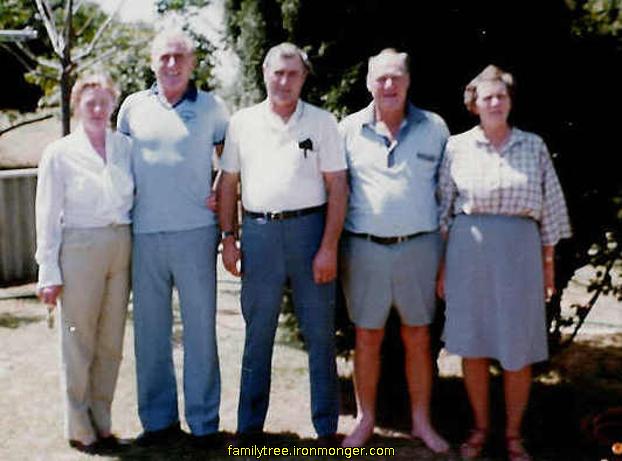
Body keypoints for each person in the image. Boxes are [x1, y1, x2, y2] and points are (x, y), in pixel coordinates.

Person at [437, 64, 571, 460]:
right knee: (473, 345)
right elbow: (443, 210)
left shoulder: (533, 146)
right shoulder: (456, 147)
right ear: (473, 104)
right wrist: (442, 266)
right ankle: (480, 428)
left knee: (517, 347)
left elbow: (551, 209)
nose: (495, 102)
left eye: (501, 96)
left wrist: (549, 265)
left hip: (520, 254)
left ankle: (513, 435)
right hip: (468, 253)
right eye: (487, 97)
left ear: (510, 102)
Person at [218, 42, 348, 444]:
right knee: (258, 334)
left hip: (310, 233)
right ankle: (250, 429)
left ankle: (326, 428)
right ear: (265, 74)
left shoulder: (324, 123)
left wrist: (329, 246)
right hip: (259, 234)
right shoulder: (242, 123)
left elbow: (338, 186)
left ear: (304, 78)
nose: (285, 81)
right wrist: (229, 238)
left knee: (320, 334)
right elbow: (228, 185)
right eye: (278, 72)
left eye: (293, 74)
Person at [116, 29, 229, 446]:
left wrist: (219, 191)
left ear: (192, 63)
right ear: (152, 61)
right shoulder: (132, 108)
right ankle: (158, 421)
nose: (172, 64)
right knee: (150, 331)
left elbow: (229, 161)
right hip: (144, 233)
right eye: (164, 56)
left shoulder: (213, 108)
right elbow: (119, 164)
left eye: (180, 57)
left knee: (200, 331)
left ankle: (203, 423)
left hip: (197, 234)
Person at [338, 49, 449, 453]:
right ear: (369, 82)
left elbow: (447, 195)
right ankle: (365, 420)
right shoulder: (347, 130)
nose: (389, 85)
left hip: (420, 247)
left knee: (418, 336)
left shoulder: (435, 128)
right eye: (381, 78)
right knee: (366, 336)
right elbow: (335, 191)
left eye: (396, 77)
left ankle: (421, 421)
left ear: (407, 81)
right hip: (364, 248)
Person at [35, 73, 133, 453]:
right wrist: (48, 271)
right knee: (79, 341)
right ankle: (79, 425)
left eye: (104, 101)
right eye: (89, 101)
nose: (97, 108)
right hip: (79, 246)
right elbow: (47, 214)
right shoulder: (59, 153)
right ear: (77, 105)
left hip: (120, 243)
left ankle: (102, 419)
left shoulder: (125, 147)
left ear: (113, 104)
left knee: (111, 341)